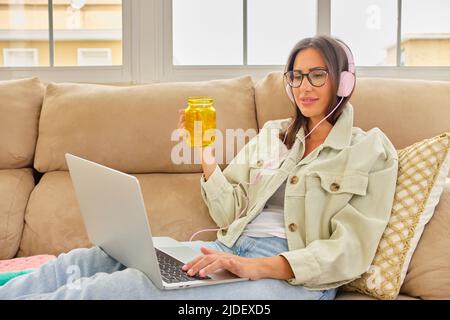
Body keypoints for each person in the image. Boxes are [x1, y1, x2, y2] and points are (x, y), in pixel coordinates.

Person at [0, 35, 398, 300]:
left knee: (135, 287)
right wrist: (207, 155)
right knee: (95, 258)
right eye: (296, 76)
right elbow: (229, 212)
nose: (304, 87)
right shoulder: (276, 136)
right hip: (227, 251)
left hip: (291, 278)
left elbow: (351, 251)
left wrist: (252, 266)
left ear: (343, 82)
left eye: (317, 75)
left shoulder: (372, 150)